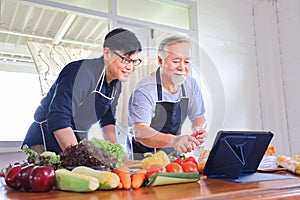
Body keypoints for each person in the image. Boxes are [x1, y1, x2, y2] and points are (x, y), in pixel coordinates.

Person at [22, 28, 142, 154]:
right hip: (45, 142)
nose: (131, 67)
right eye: (126, 60)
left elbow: (107, 121)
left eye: (135, 62)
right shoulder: (82, 72)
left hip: (76, 141)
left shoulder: (116, 84)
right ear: (107, 53)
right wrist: (78, 157)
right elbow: (58, 116)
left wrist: (119, 156)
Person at [127, 35, 207, 160]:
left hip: (173, 157)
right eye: (175, 61)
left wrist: (199, 129)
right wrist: (175, 141)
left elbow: (198, 117)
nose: (182, 67)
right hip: (143, 159)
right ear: (160, 61)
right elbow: (139, 131)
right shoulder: (145, 90)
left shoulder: (190, 84)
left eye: (186, 62)